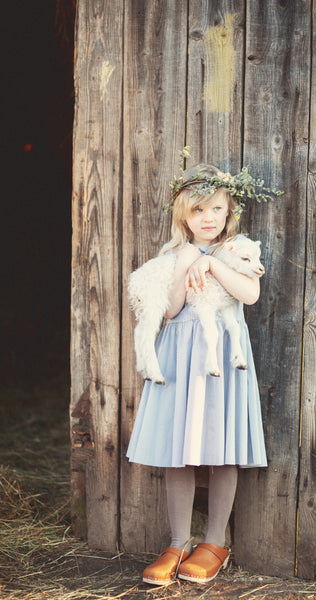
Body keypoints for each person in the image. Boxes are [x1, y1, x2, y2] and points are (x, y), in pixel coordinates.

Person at [126, 161, 269, 586]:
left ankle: (215, 541)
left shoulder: (238, 249)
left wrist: (210, 265)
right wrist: (188, 258)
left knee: (222, 447)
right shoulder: (173, 255)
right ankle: (177, 541)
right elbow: (169, 310)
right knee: (179, 450)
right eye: (198, 211)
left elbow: (250, 293)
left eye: (217, 209)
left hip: (222, 358)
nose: (208, 218)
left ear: (229, 213)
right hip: (180, 359)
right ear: (183, 217)